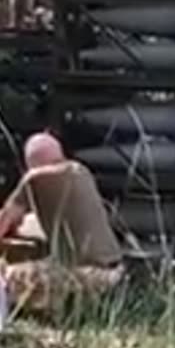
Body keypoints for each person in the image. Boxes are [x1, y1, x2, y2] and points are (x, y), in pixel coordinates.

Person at [0, 131, 126, 320]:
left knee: (7, 277)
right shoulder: (81, 171)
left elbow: (4, 222)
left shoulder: (35, 177)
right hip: (116, 271)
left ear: (31, 163)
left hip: (88, 275)